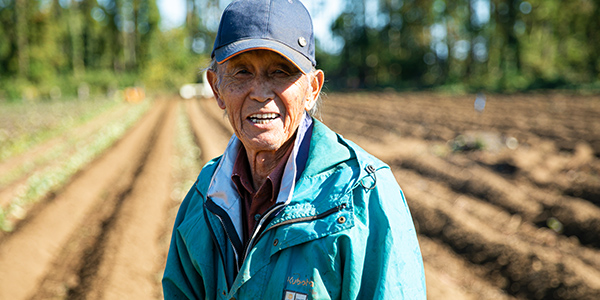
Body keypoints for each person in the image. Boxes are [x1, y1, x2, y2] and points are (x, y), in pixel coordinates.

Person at [162, 0, 426, 299]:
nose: (260, 93)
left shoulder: (364, 196)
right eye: (242, 72)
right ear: (216, 87)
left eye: (280, 72)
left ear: (312, 89)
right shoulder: (204, 196)